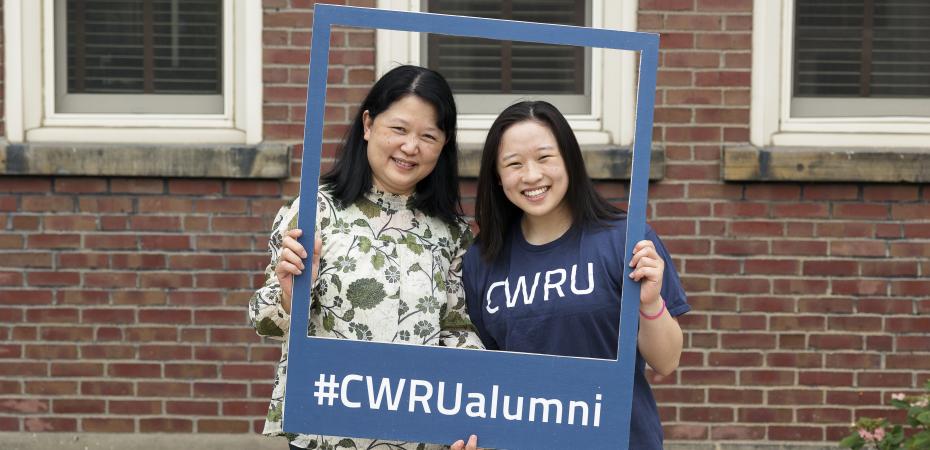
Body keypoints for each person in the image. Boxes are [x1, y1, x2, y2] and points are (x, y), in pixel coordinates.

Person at [248, 65, 483, 450]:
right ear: (369, 124)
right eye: (400, 129)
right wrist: (291, 295)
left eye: (429, 135)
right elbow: (264, 319)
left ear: (443, 146)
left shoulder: (452, 232)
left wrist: (476, 414)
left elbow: (457, 331)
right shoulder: (313, 212)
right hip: (328, 432)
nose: (411, 147)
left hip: (420, 436)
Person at [462, 101, 689, 449]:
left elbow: (666, 361)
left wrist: (650, 302)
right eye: (514, 163)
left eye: (544, 157)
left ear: (569, 158)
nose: (532, 175)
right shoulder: (482, 259)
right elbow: (484, 379)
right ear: (497, 175)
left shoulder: (625, 241)